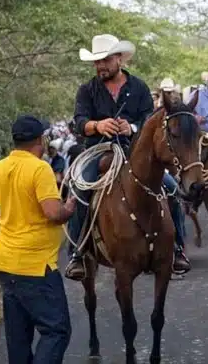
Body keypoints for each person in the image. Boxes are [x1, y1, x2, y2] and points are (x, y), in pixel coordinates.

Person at [66, 34, 190, 280]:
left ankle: (176, 249)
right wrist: (97, 125)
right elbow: (78, 122)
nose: (100, 66)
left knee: (173, 189)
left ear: (119, 59)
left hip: (133, 151)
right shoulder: (87, 90)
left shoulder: (139, 88)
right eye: (96, 62)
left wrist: (131, 128)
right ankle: (77, 253)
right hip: (97, 150)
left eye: (105, 60)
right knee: (79, 190)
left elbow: (149, 120)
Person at [0, 115, 75, 363]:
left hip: (5, 262)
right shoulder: (40, 169)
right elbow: (52, 213)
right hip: (36, 266)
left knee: (18, 337)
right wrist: (69, 208)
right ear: (40, 139)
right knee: (56, 330)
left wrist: (2, 224)